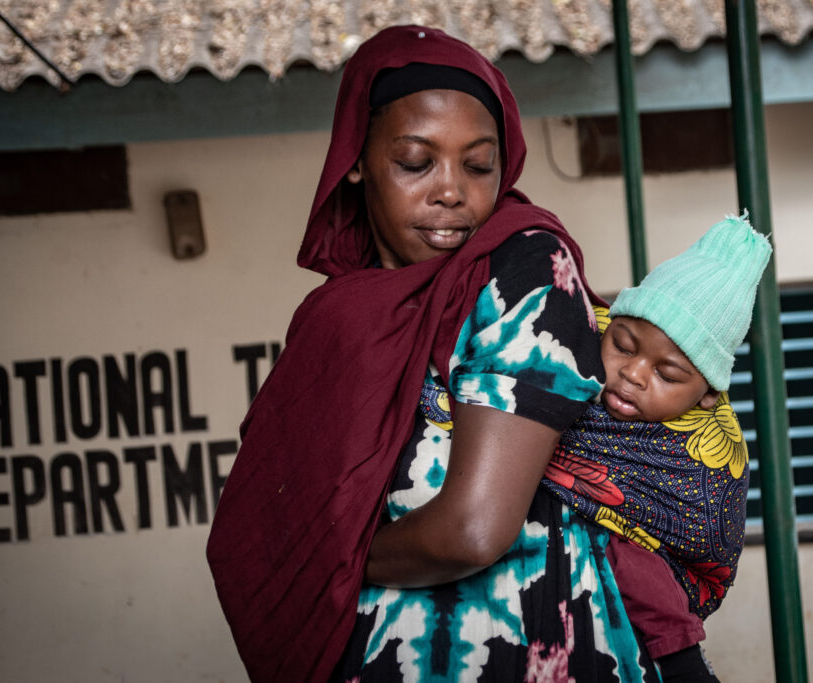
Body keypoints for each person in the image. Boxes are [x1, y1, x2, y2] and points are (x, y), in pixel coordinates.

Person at [207, 25, 657, 683]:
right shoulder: (346, 315)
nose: (451, 191)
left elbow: (473, 528)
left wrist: (319, 565)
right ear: (355, 159)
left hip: (521, 654)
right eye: (416, 162)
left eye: (478, 165)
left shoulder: (525, 266)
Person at [541, 215, 772, 681]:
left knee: (639, 568)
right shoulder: (565, 348)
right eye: (623, 346)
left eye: (666, 375)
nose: (634, 374)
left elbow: (709, 538)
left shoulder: (706, 452)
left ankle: (683, 661)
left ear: (707, 393)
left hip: (650, 565)